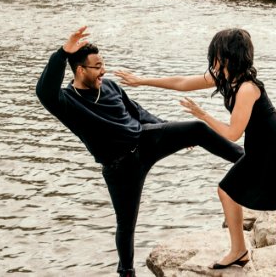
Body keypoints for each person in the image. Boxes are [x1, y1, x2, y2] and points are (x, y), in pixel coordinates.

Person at [35, 26, 244, 277]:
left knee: (196, 129)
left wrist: (171, 131)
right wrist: (62, 53)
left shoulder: (110, 86)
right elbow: (44, 91)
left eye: (103, 64)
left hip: (145, 141)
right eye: (98, 66)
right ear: (80, 70)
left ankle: (247, 159)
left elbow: (139, 113)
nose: (103, 71)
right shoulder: (67, 101)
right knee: (126, 225)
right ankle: (126, 273)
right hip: (120, 167)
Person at [115, 28, 276, 273]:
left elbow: (232, 133)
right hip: (263, 146)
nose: (212, 57)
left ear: (227, 55)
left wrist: (202, 115)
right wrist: (141, 80)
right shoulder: (225, 78)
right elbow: (182, 83)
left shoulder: (247, 88)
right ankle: (239, 251)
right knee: (227, 191)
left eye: (216, 52)